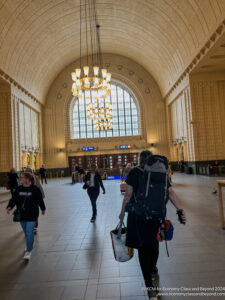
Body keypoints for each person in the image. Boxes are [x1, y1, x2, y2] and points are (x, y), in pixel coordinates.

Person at [119, 150, 186, 300]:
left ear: (139, 159)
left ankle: (150, 288)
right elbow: (171, 193)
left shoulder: (134, 172)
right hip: (156, 216)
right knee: (154, 245)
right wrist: (180, 210)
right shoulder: (160, 174)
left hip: (139, 217)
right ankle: (154, 269)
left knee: (143, 251)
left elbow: (128, 195)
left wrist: (122, 213)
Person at [6, 172, 46, 260]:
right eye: (20, 178)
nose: (19, 179)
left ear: (27, 179)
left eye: (22, 178)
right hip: (22, 215)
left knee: (29, 232)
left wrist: (43, 209)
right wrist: (9, 207)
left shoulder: (35, 189)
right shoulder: (18, 189)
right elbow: (13, 199)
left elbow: (40, 200)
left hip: (32, 214)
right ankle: (30, 244)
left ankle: (28, 251)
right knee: (26, 232)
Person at [25, 167, 45, 233]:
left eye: (29, 172)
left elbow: (39, 186)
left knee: (34, 213)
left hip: (33, 199)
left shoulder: (35, 178)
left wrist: (42, 195)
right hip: (29, 200)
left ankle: (34, 226)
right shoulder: (23, 178)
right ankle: (31, 226)